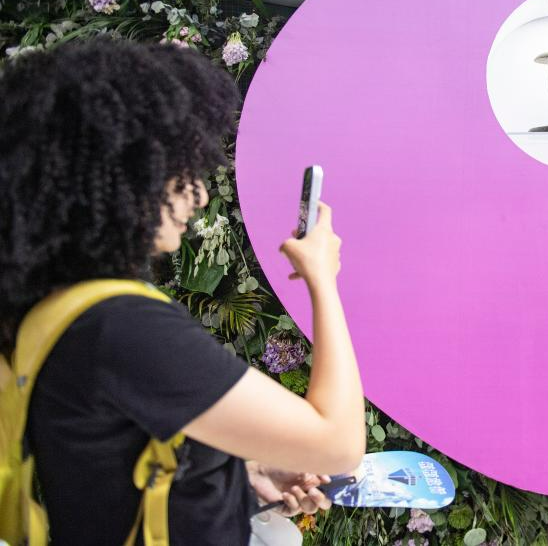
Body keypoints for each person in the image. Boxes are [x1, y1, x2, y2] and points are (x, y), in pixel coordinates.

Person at [0, 38, 366, 544]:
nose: (198, 194)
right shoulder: (122, 326)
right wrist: (322, 279)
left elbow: (113, 466)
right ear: (122, 177)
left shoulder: (57, 312)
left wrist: (245, 476)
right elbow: (338, 444)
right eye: (180, 173)